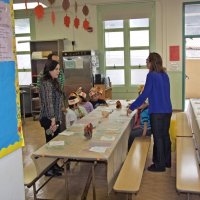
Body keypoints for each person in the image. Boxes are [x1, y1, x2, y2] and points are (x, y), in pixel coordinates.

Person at [127, 52, 172, 172]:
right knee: (165, 136)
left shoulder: (151, 75)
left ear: (152, 62)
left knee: (158, 138)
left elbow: (145, 94)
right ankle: (167, 162)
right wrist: (148, 103)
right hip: (167, 110)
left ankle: (159, 165)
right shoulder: (164, 75)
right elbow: (162, 95)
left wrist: (132, 107)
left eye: (147, 61)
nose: (146, 63)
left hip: (157, 113)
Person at [39, 59, 64, 176]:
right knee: (50, 143)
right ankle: (47, 168)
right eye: (56, 69)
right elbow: (48, 103)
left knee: (55, 143)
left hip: (55, 118)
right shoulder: (46, 83)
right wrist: (53, 120)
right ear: (49, 70)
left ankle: (54, 165)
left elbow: (58, 100)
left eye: (59, 69)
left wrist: (58, 118)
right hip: (48, 118)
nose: (58, 71)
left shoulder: (55, 81)